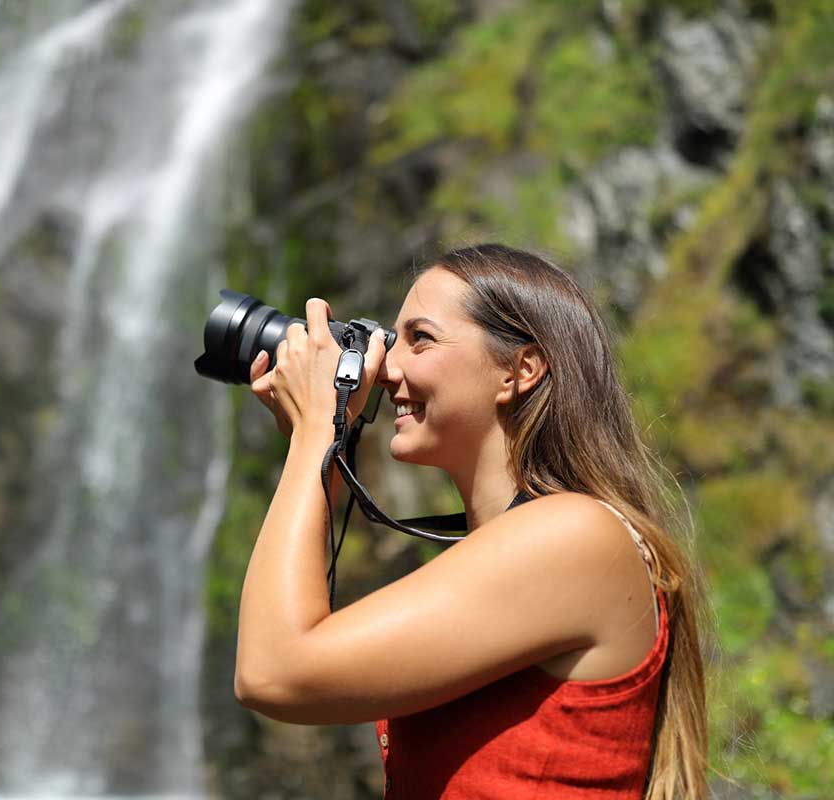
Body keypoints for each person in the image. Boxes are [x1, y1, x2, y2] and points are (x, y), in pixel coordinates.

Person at [235, 244, 711, 799]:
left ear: (519, 370)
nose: (385, 368)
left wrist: (318, 427)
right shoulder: (524, 546)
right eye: (391, 340)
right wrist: (321, 441)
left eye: (421, 338)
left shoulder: (573, 536)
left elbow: (273, 671)